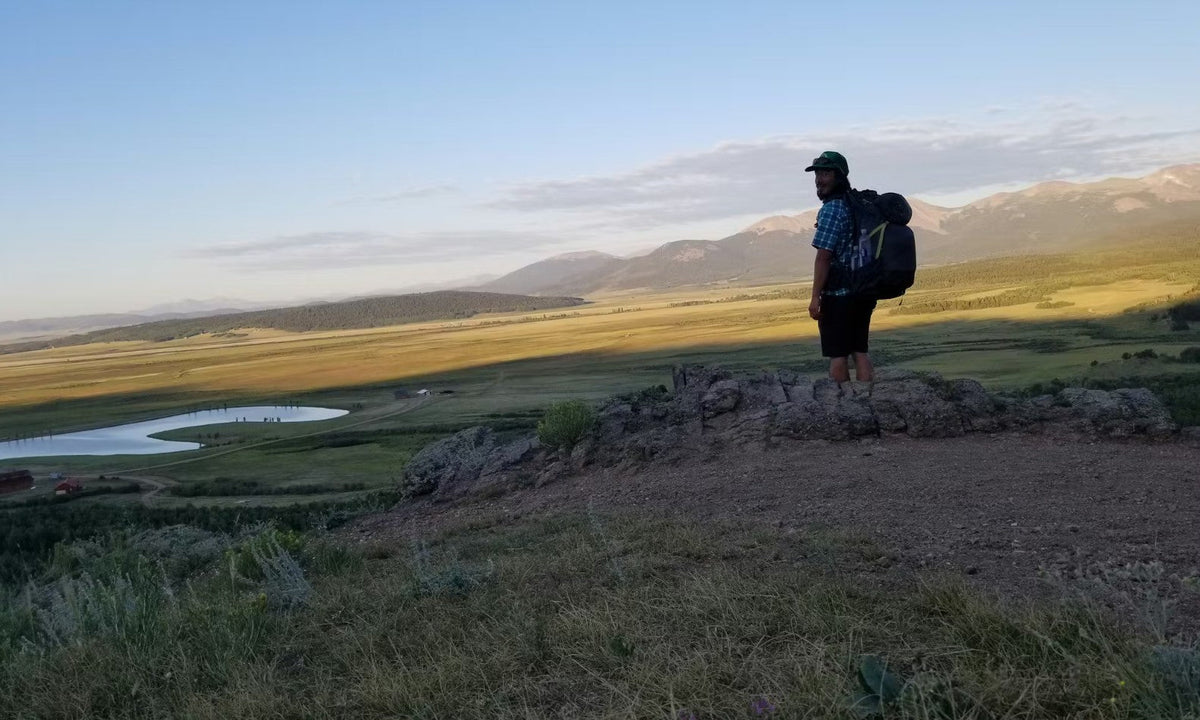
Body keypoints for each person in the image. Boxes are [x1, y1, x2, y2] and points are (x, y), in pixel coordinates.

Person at [805, 150, 875, 384]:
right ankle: (869, 402)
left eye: (825, 173)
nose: (819, 180)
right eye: (817, 174)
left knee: (837, 355)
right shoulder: (853, 205)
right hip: (863, 290)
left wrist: (815, 297)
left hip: (839, 295)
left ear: (839, 176)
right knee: (859, 351)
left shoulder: (832, 209)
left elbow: (823, 257)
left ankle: (844, 411)